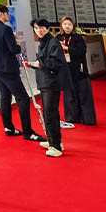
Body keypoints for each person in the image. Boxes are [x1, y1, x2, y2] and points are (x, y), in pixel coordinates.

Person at [0, 4, 45, 142]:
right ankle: (28, 132)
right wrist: (17, 45)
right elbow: (14, 49)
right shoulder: (6, 29)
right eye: (7, 13)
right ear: (1, 14)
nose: (9, 16)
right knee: (23, 98)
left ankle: (9, 128)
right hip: (8, 69)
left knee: (5, 96)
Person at [26, 19, 67, 157]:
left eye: (42, 27)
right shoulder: (43, 42)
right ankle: (53, 141)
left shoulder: (53, 42)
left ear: (47, 28)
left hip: (52, 82)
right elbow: (43, 61)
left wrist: (40, 64)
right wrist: (33, 64)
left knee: (50, 113)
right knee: (48, 113)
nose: (39, 30)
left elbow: (56, 63)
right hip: (45, 82)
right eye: (36, 28)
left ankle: (56, 146)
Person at [58, 17, 97, 125]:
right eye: (65, 24)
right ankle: (72, 118)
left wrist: (66, 48)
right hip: (66, 71)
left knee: (84, 95)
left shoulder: (78, 38)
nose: (67, 26)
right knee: (69, 96)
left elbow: (81, 51)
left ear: (73, 26)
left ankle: (88, 119)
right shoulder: (58, 38)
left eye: (69, 24)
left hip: (80, 70)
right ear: (61, 26)